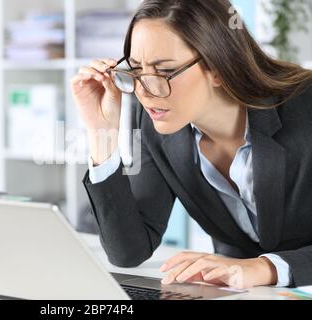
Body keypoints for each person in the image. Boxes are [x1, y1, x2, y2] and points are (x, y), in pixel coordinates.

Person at [71, 0, 312, 289]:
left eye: (164, 71)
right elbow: (128, 251)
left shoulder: (305, 108)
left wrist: (266, 268)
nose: (146, 91)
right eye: (136, 70)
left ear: (220, 67)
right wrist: (102, 134)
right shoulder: (157, 124)